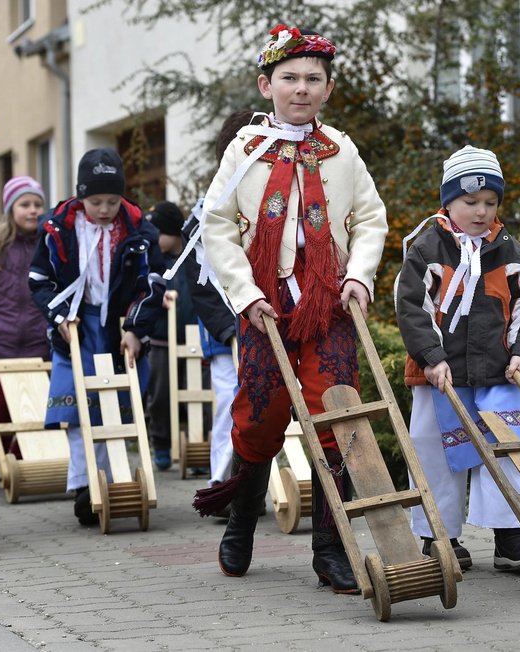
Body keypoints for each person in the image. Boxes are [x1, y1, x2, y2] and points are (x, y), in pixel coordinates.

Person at [196, 25, 388, 594]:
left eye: (312, 80)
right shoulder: (245, 151)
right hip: (265, 304)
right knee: (258, 416)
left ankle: (332, 548)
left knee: (336, 416)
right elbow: (217, 225)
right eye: (289, 79)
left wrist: (359, 277)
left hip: (328, 303)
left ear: (327, 89)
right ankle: (241, 516)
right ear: (266, 85)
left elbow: (370, 218)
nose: (300, 89)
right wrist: (245, 293)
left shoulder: (342, 150)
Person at [394, 145, 520, 571]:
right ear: (448, 201)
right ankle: (438, 536)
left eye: (490, 202)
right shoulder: (427, 249)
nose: (481, 211)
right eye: (470, 201)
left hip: (497, 372)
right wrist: (429, 355)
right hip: (437, 372)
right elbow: (411, 307)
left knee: (510, 444)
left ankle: (513, 536)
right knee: (435, 450)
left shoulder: (509, 251)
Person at [29, 147, 166, 526]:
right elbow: (40, 281)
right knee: (77, 408)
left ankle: (113, 479)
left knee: (115, 406)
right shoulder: (59, 229)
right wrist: (59, 316)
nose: (104, 209)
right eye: (95, 201)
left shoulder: (139, 231)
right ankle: (84, 484)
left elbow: (153, 283)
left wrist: (137, 329)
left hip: (120, 327)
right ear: (80, 196)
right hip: (76, 325)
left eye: (112, 200)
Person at [181, 110, 256, 510]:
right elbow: (201, 285)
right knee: (232, 399)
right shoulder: (205, 214)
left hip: (267, 322)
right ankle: (220, 484)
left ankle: (269, 483)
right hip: (225, 329)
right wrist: (228, 329)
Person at [0, 176, 51, 482]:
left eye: (37, 204)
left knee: (34, 408)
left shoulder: (48, 244)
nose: (32, 210)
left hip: (37, 340)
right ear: (10, 209)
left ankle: (21, 464)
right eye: (25, 204)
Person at [142, 200, 195, 471]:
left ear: (173, 231)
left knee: (198, 393)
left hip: (194, 340)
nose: (152, 238)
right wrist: (158, 299)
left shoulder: (192, 257)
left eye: (157, 232)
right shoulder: (154, 260)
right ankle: (161, 444)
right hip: (162, 340)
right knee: (160, 394)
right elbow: (145, 290)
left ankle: (199, 444)